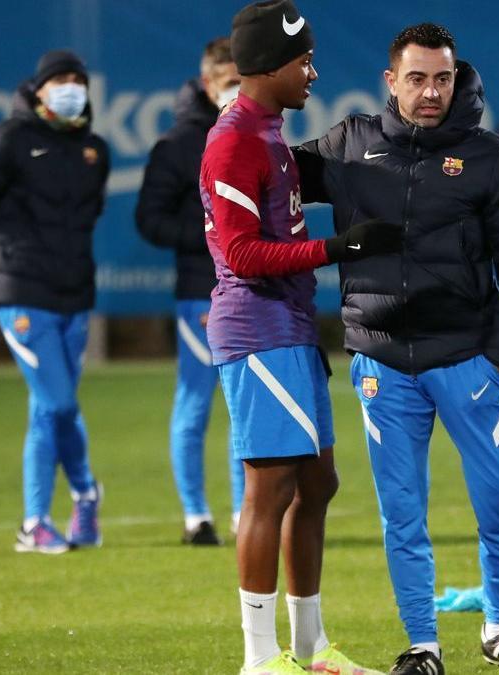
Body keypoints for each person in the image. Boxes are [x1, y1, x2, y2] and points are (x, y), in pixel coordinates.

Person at [295, 23, 499, 675]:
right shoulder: (351, 144)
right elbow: (270, 172)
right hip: (383, 362)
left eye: (443, 78)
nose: (431, 91)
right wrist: (232, 123)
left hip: (469, 359)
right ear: (391, 81)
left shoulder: (491, 155)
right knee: (401, 513)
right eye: (417, 78)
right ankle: (423, 645)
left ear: (456, 77)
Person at [200, 2, 399, 673]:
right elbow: (241, 255)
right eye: (303, 60)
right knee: (270, 489)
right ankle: (260, 659)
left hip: (288, 325)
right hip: (255, 328)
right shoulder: (232, 139)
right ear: (268, 65)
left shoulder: (270, 131)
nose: (313, 71)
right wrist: (336, 248)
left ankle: (311, 648)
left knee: (317, 483)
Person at [0, 50, 109, 555]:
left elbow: (89, 217)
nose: (71, 88)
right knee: (57, 402)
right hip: (22, 292)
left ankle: (72, 504)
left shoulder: (93, 149)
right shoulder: (6, 140)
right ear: (38, 89)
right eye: (61, 80)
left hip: (73, 293)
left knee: (51, 409)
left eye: (78, 81)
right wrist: (0, 267)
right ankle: (44, 517)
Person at [136, 37, 244, 546]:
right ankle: (196, 516)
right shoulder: (179, 145)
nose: (237, 93)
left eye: (244, 82)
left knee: (246, 405)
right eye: (229, 84)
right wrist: (208, 234)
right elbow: (148, 219)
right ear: (207, 84)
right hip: (202, 290)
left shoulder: (257, 134)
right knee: (197, 402)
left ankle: (248, 513)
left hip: (249, 289)